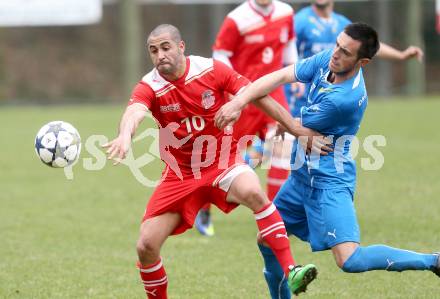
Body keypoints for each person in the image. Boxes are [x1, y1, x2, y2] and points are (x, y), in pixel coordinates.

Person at [103, 24, 330, 298]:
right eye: (153, 50)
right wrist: (125, 136)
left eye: (165, 47)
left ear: (181, 46)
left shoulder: (211, 70)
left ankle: (291, 270)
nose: (160, 55)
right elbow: (134, 112)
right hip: (180, 174)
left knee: (253, 192)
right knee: (146, 246)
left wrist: (295, 128)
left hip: (222, 162)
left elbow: (256, 94)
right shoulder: (150, 85)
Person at [215, 22, 440, 299]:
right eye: (337, 45)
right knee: (268, 240)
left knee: (349, 260)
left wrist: (247, 98)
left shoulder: (344, 99)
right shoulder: (329, 61)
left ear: (363, 61)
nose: (335, 53)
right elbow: (278, 78)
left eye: (345, 52)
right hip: (300, 178)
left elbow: (290, 124)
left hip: (329, 181)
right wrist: (241, 100)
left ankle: (432, 261)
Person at [195, 0, 298, 236]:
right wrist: (231, 90)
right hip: (244, 97)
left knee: (282, 146)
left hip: (274, 94)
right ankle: (204, 206)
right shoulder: (237, 19)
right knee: (227, 160)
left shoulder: (286, 12)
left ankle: (276, 218)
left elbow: (289, 42)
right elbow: (220, 54)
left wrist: (295, 73)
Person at [288, 0, 424, 117]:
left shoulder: (341, 22)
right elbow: (285, 51)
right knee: (293, 138)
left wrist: (401, 55)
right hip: (303, 95)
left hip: (332, 95)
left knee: (326, 142)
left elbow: (369, 46)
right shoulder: (300, 21)